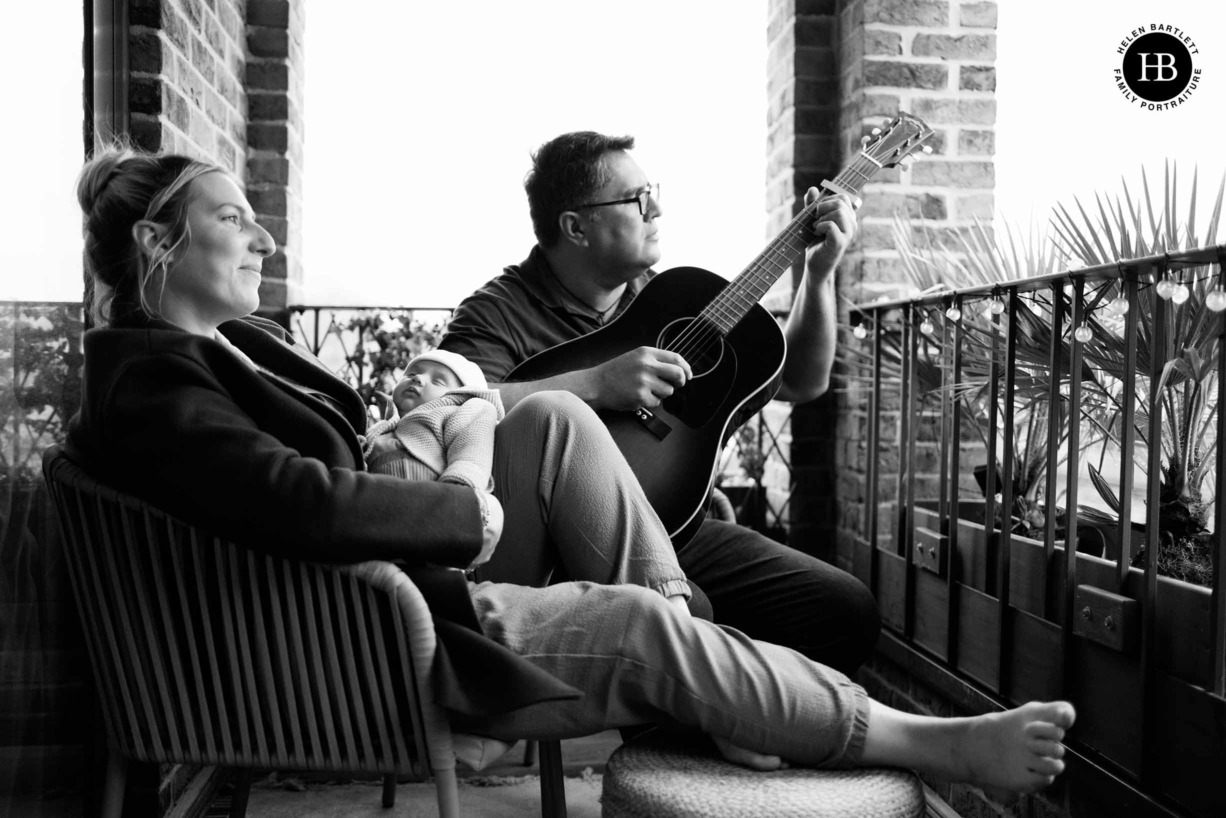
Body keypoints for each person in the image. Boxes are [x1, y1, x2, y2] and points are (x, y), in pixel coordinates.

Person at [67, 144, 1076, 792]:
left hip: (371, 598)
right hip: (360, 633)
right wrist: (463, 493)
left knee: (556, 427)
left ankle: (724, 682)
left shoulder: (204, 356)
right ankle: (919, 740)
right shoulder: (157, 380)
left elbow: (797, 377)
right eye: (236, 217)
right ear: (160, 241)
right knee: (636, 616)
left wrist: (817, 268)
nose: (263, 234)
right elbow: (300, 498)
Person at [438, 130, 878, 672]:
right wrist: (597, 382)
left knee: (844, 610)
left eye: (654, 191)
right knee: (691, 614)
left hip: (674, 524)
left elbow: (802, 381)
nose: (658, 209)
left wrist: (817, 274)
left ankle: (753, 731)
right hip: (557, 545)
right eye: (637, 199)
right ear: (576, 227)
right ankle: (691, 736)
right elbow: (447, 405)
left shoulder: (669, 299)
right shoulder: (498, 312)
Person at [362, 349, 503, 493]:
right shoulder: (382, 428)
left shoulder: (468, 409)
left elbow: (472, 455)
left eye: (438, 381)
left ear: (461, 395)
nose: (417, 378)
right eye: (410, 374)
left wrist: (461, 492)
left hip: (435, 501)